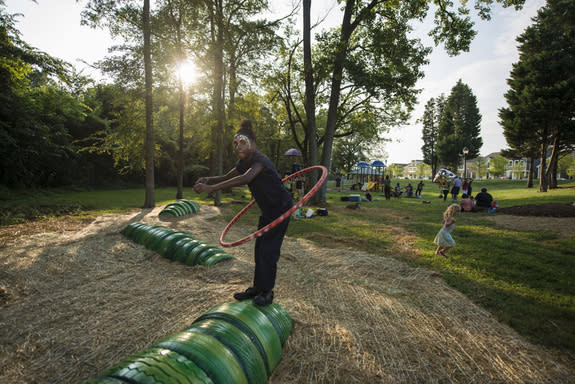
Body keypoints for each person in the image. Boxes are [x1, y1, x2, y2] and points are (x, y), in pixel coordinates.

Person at [193, 119, 292, 306]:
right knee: (259, 248)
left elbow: (245, 178)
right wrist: (208, 180)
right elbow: (225, 177)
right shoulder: (242, 162)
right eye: (236, 143)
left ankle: (267, 291)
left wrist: (211, 189)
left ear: (253, 144)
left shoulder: (260, 161)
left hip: (281, 208)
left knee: (269, 250)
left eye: (243, 142)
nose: (238, 146)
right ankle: (257, 287)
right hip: (267, 210)